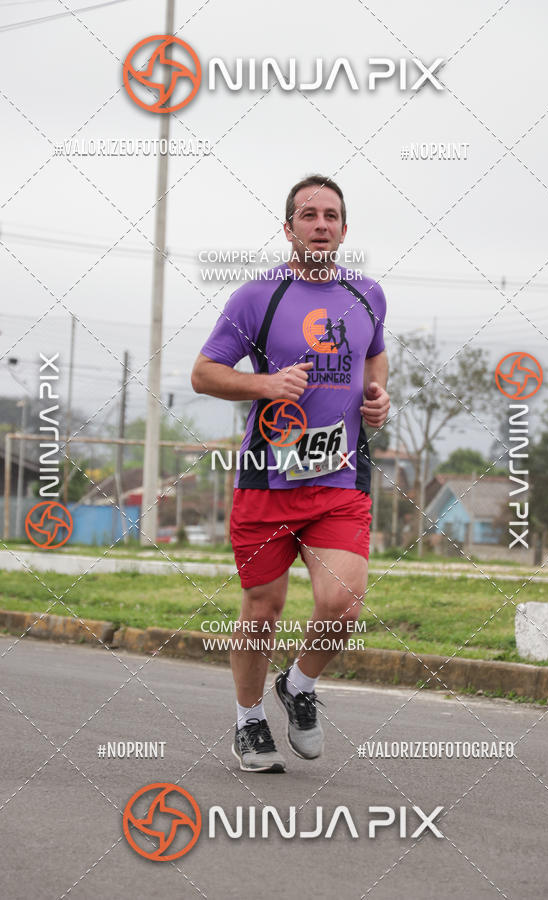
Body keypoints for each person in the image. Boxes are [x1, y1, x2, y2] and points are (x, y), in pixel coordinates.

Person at [191, 174, 390, 773]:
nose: (321, 224)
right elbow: (204, 373)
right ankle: (249, 721)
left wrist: (378, 397)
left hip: (339, 479)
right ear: (289, 227)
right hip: (268, 479)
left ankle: (299, 686)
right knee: (261, 609)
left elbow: (374, 353)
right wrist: (264, 384)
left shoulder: (368, 294)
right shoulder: (258, 297)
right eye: (309, 215)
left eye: (332, 215)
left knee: (342, 603)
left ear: (344, 229)